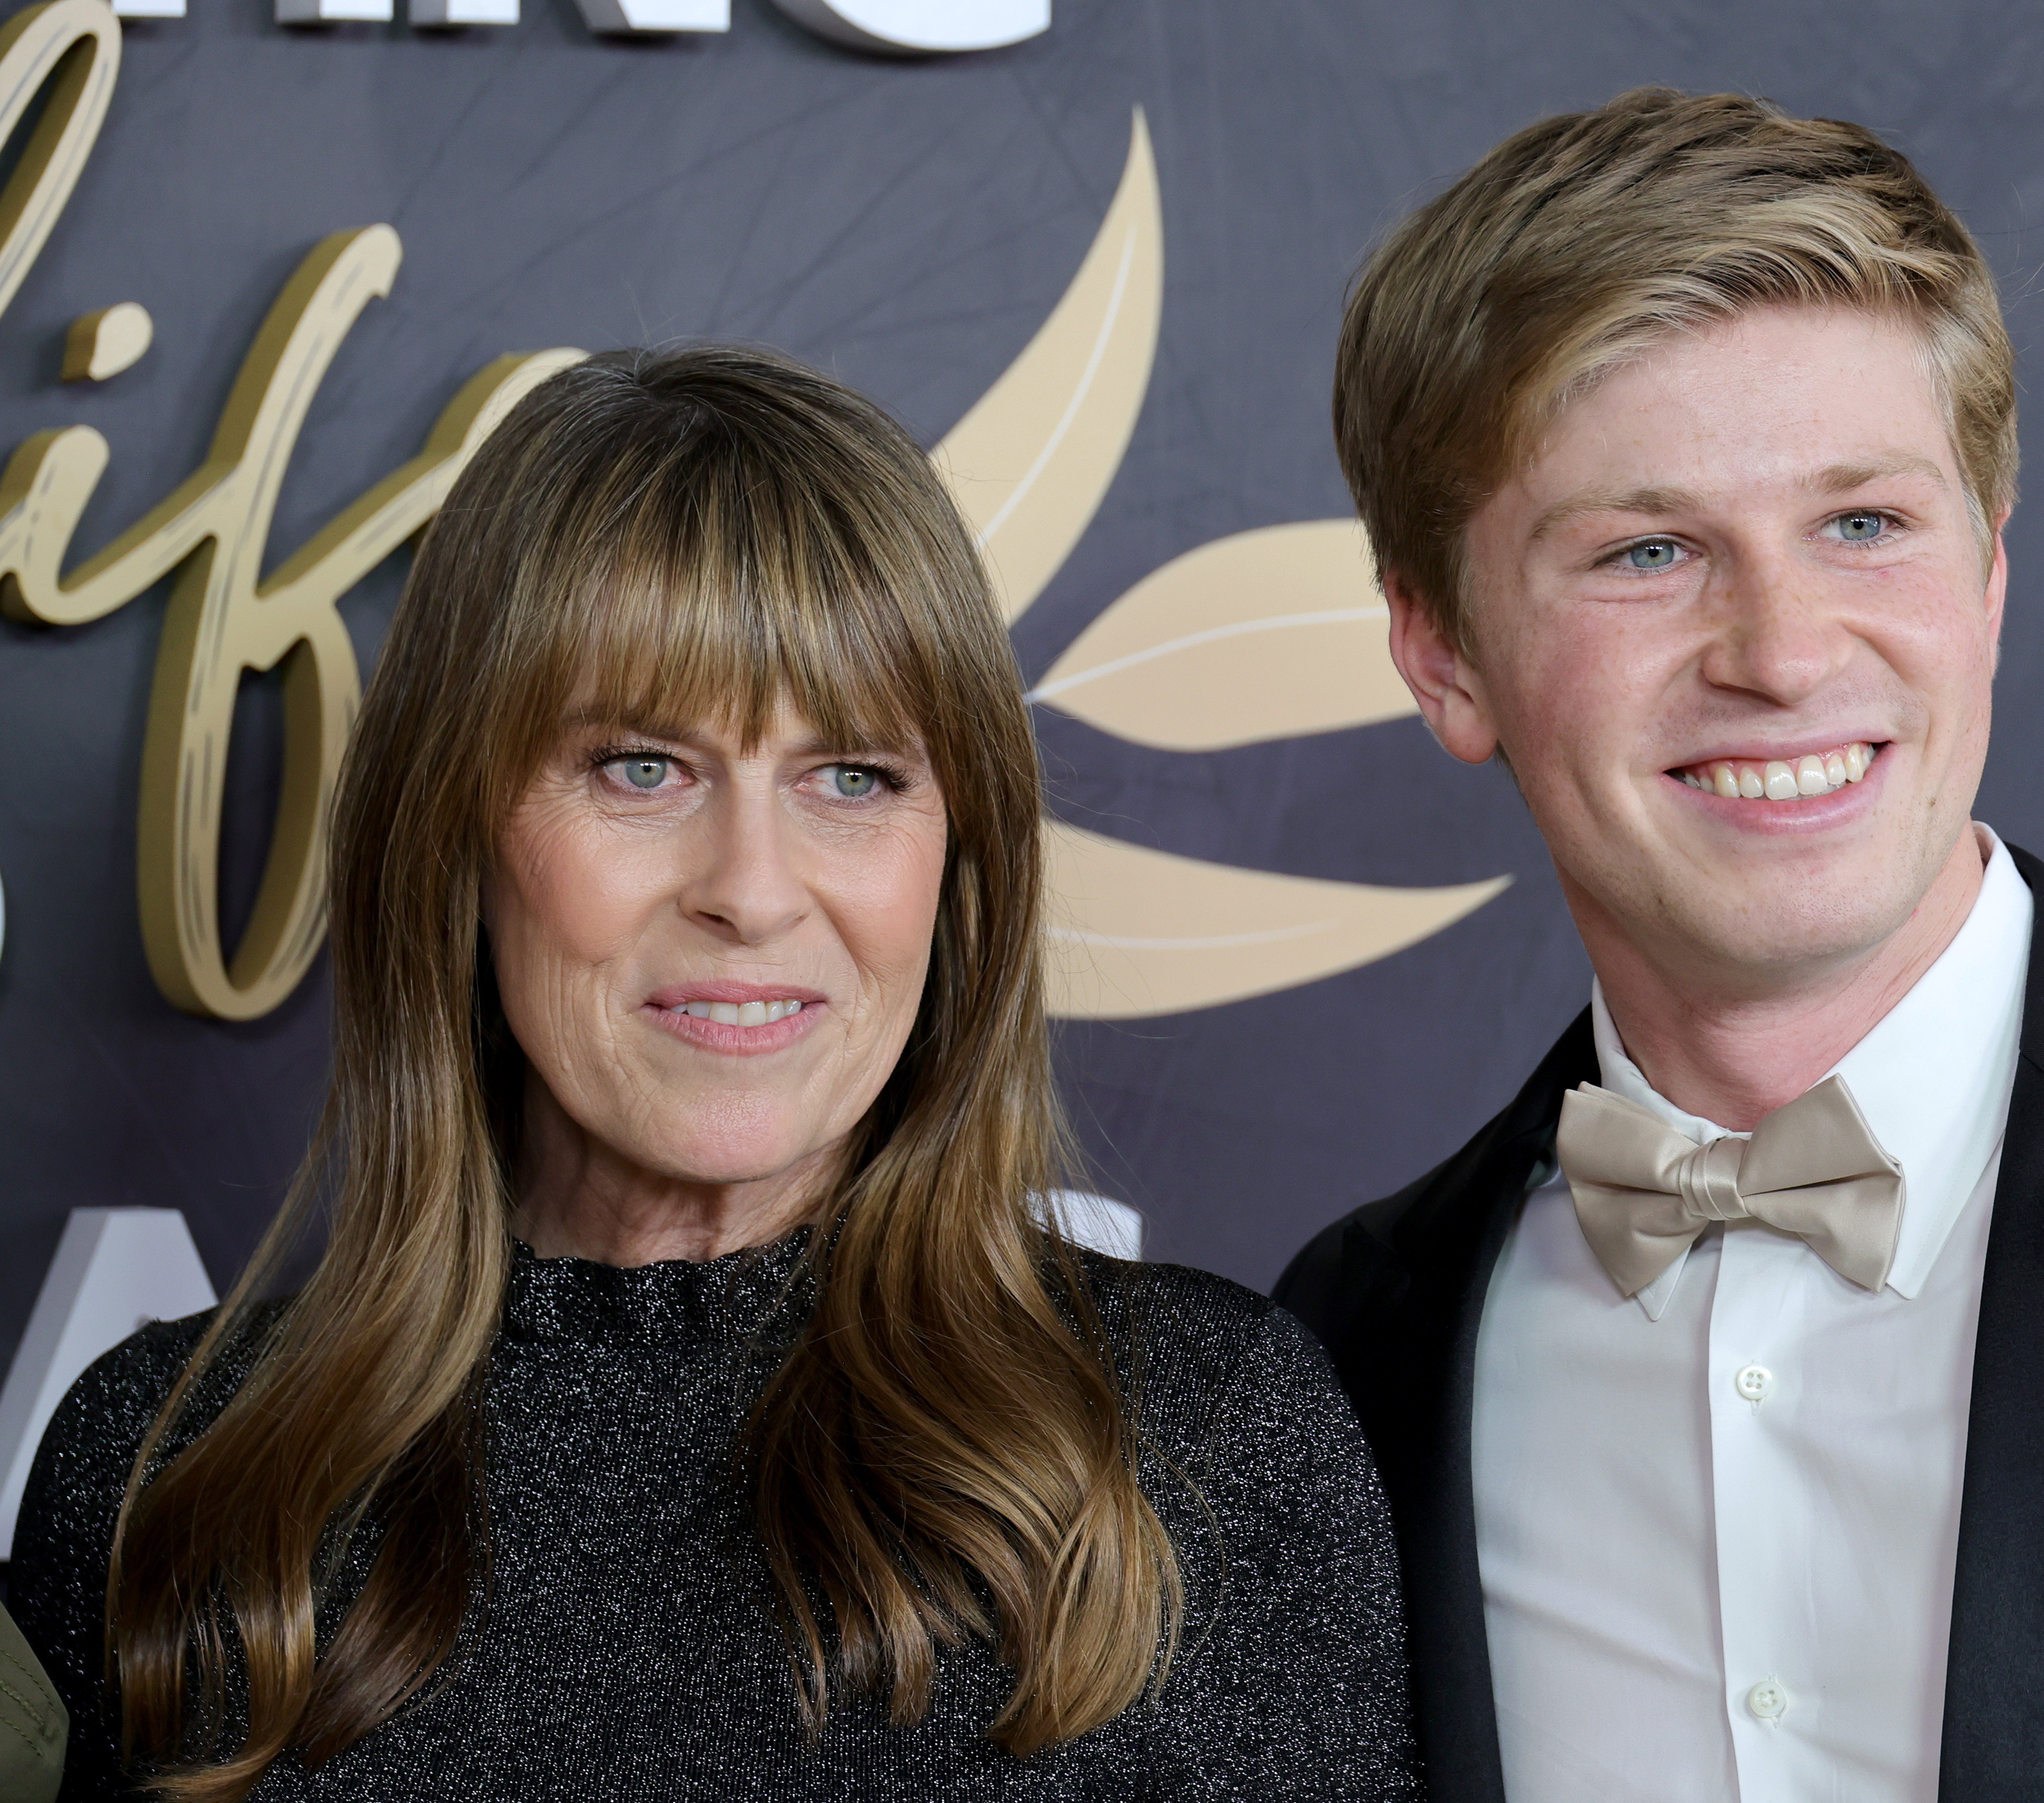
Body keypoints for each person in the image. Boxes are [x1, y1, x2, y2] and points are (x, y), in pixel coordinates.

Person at [13, 346, 1422, 1801]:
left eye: (853, 777)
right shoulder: (163, 1468)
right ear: (456, 833)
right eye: (641, 768)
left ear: (960, 863)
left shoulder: (1202, 1442)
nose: (752, 889)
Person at [1276, 87, 2044, 1803]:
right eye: (1648, 552)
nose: (1786, 651)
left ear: (1989, 581)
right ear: (1442, 657)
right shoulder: (1346, 1359)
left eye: (1864, 524)